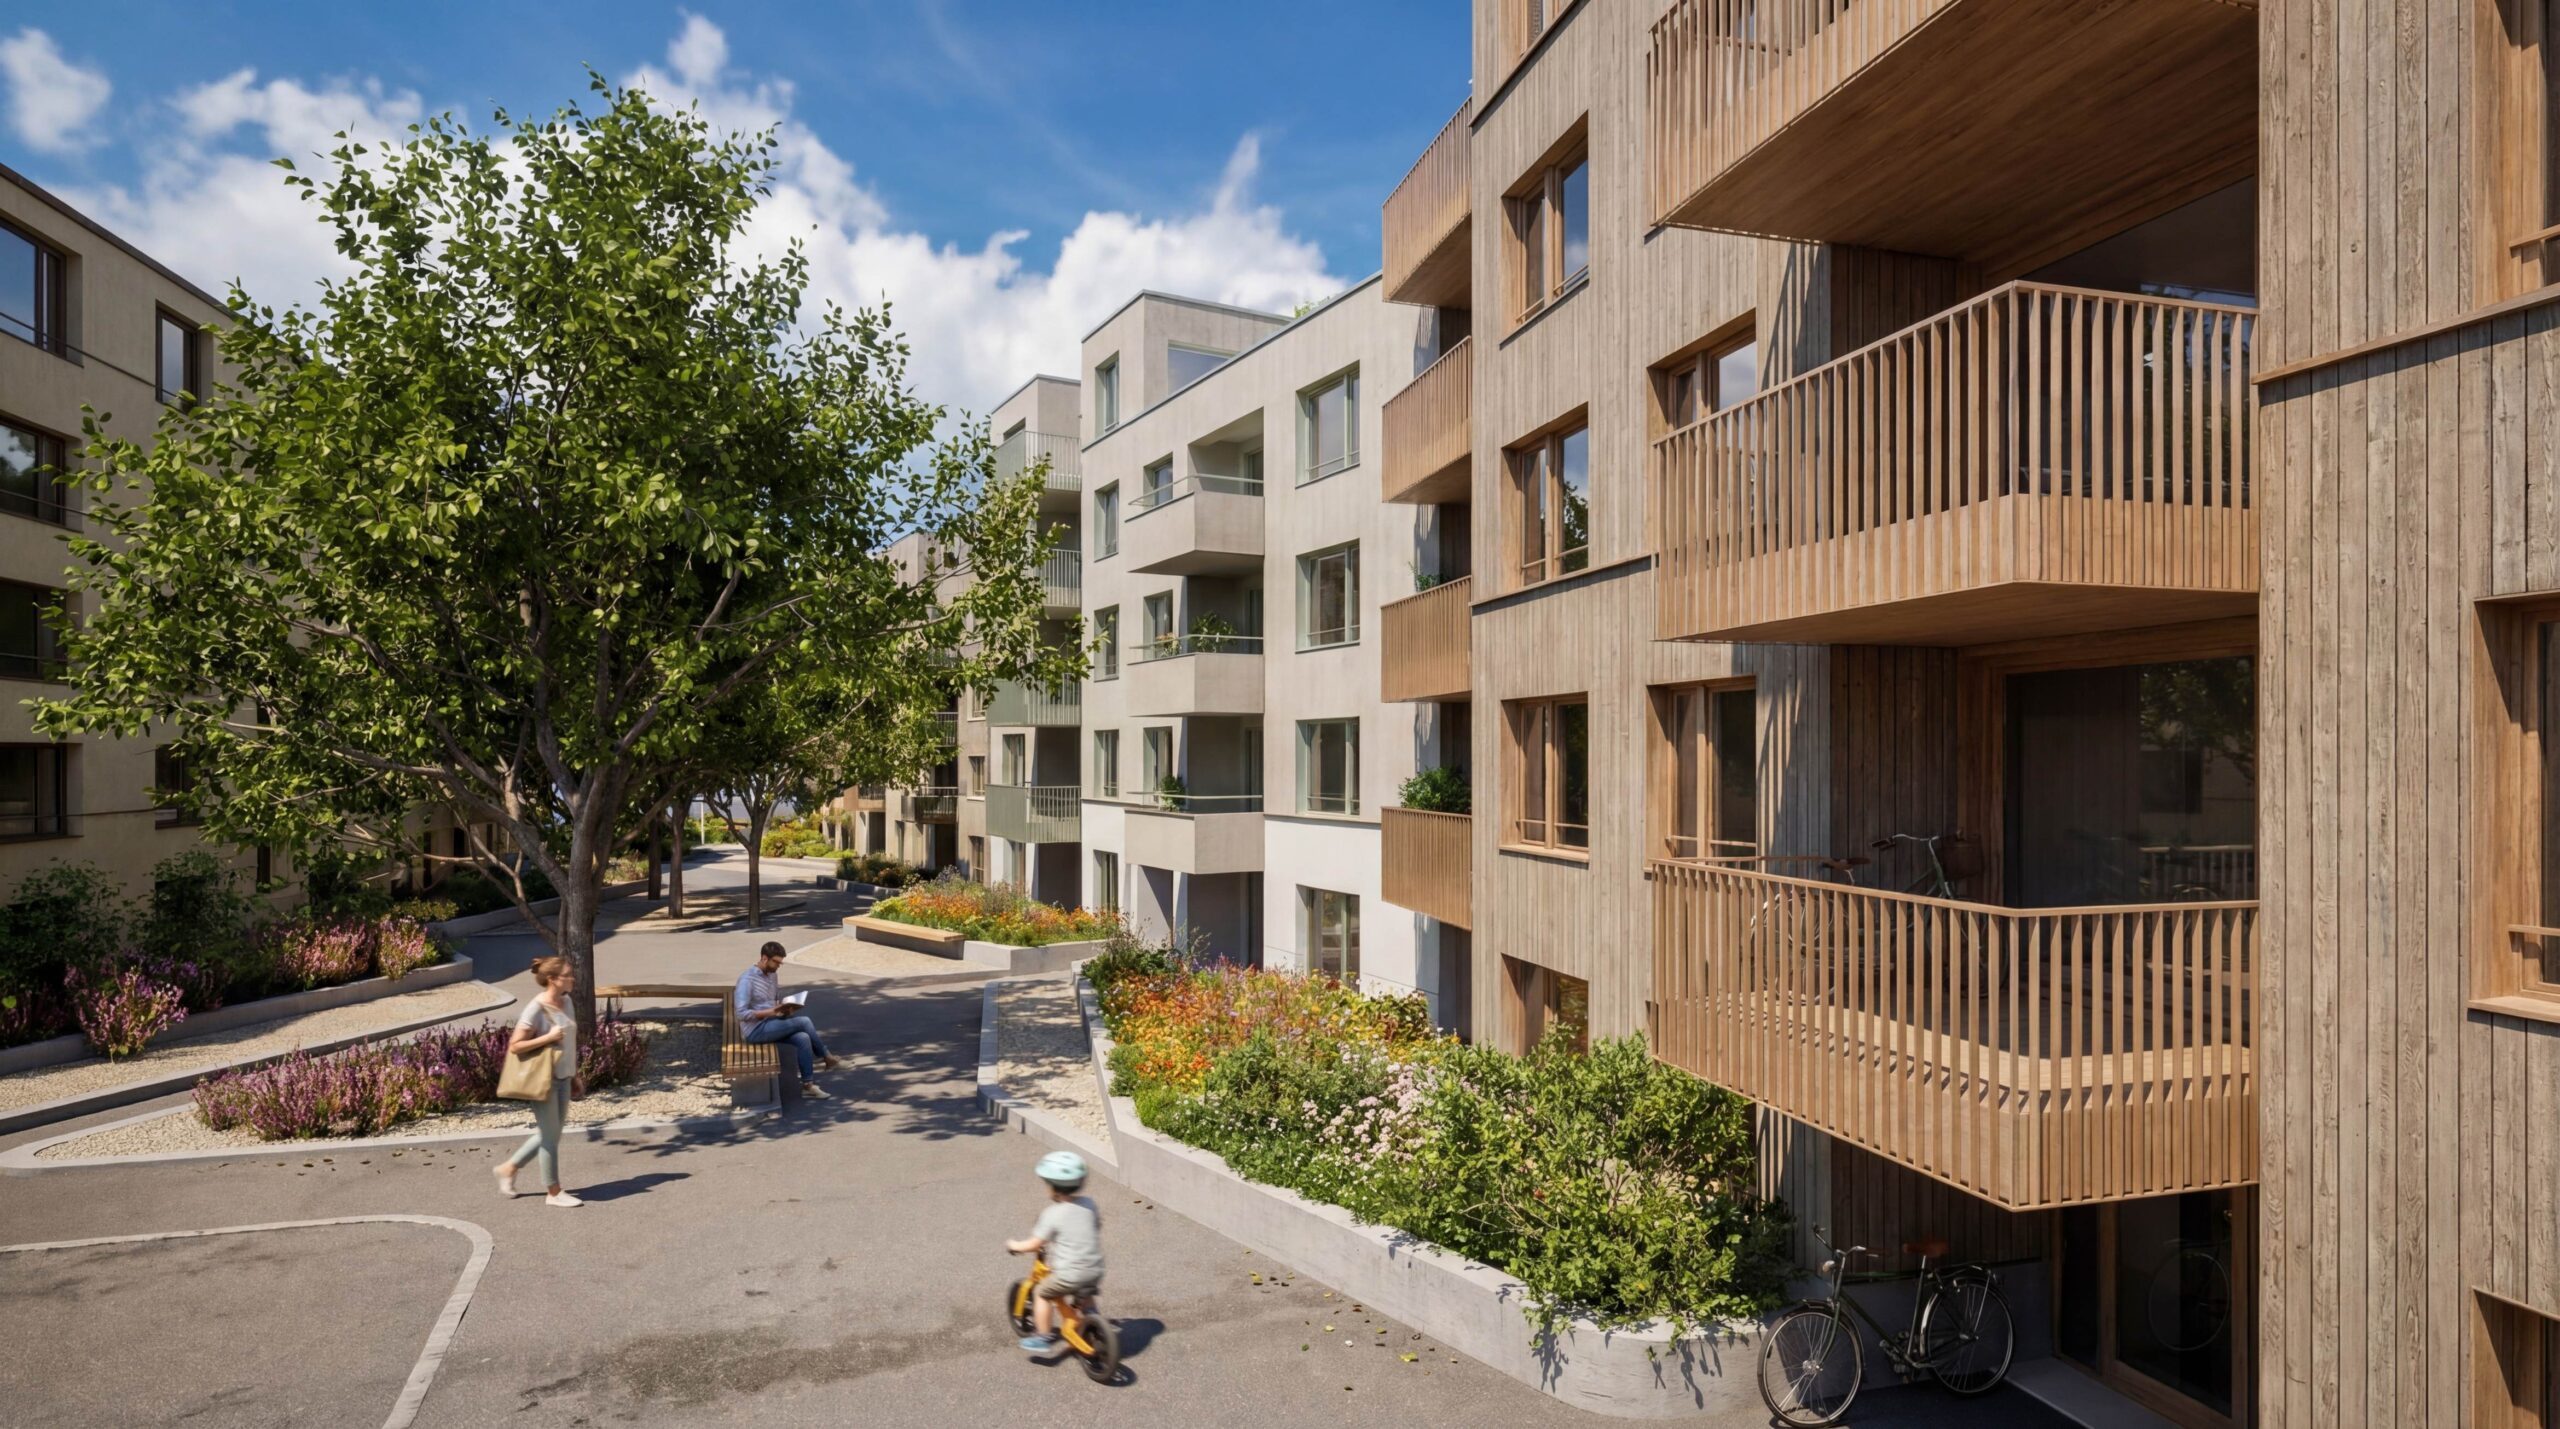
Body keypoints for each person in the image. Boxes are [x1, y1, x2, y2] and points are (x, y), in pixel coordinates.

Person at [496, 956, 584, 1207]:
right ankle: (554, 1192)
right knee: (549, 1137)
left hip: (563, 1078)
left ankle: (509, 1168)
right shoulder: (536, 1007)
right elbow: (515, 1046)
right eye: (568, 975)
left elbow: (569, 1044)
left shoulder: (567, 1002)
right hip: (543, 1081)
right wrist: (548, 1037)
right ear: (553, 979)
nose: (573, 978)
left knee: (551, 1135)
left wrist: (574, 1075)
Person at [1005, 1151, 1104, 1355]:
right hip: (1095, 1268)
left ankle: (1043, 1336)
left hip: (1070, 1273)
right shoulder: (1089, 1204)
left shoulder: (1052, 1214)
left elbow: (1034, 1244)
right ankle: (1091, 1319)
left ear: (1051, 1186)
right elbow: (1095, 1226)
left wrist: (1015, 1246)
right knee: (1084, 1292)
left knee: (1042, 1292)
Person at [734, 940, 837, 1096]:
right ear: (764, 958)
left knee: (803, 1038)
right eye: (776, 962)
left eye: (780, 963)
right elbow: (740, 1014)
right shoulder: (747, 980)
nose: (778, 966)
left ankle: (808, 1086)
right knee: (804, 1021)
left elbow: (774, 1001)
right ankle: (828, 1058)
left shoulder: (772, 975)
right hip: (755, 1031)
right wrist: (772, 1011)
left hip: (771, 1024)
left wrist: (785, 1008)